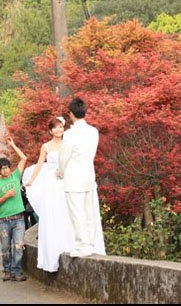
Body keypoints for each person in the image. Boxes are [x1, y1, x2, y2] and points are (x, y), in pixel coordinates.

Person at [22, 117, 76, 272]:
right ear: (50, 130)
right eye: (55, 128)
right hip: (52, 182)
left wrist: (65, 171)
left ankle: (69, 245)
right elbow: (39, 165)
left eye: (61, 127)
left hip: (65, 179)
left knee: (67, 212)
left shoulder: (68, 144)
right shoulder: (46, 146)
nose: (59, 130)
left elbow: (72, 162)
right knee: (53, 213)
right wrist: (31, 180)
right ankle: (53, 251)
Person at [58, 97, 106, 258]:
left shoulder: (70, 134)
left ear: (71, 113)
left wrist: (61, 172)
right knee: (89, 212)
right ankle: (90, 243)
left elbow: (63, 157)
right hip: (88, 176)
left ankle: (82, 245)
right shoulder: (93, 132)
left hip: (73, 178)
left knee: (77, 214)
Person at [0, 137, 28, 282]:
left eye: (7, 166)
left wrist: (13, 145)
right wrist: (6, 196)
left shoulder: (15, 177)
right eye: (3, 168)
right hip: (4, 221)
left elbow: (24, 158)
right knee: (6, 249)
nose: (6, 169)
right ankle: (7, 270)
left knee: (19, 246)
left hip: (18, 219)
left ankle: (16, 271)